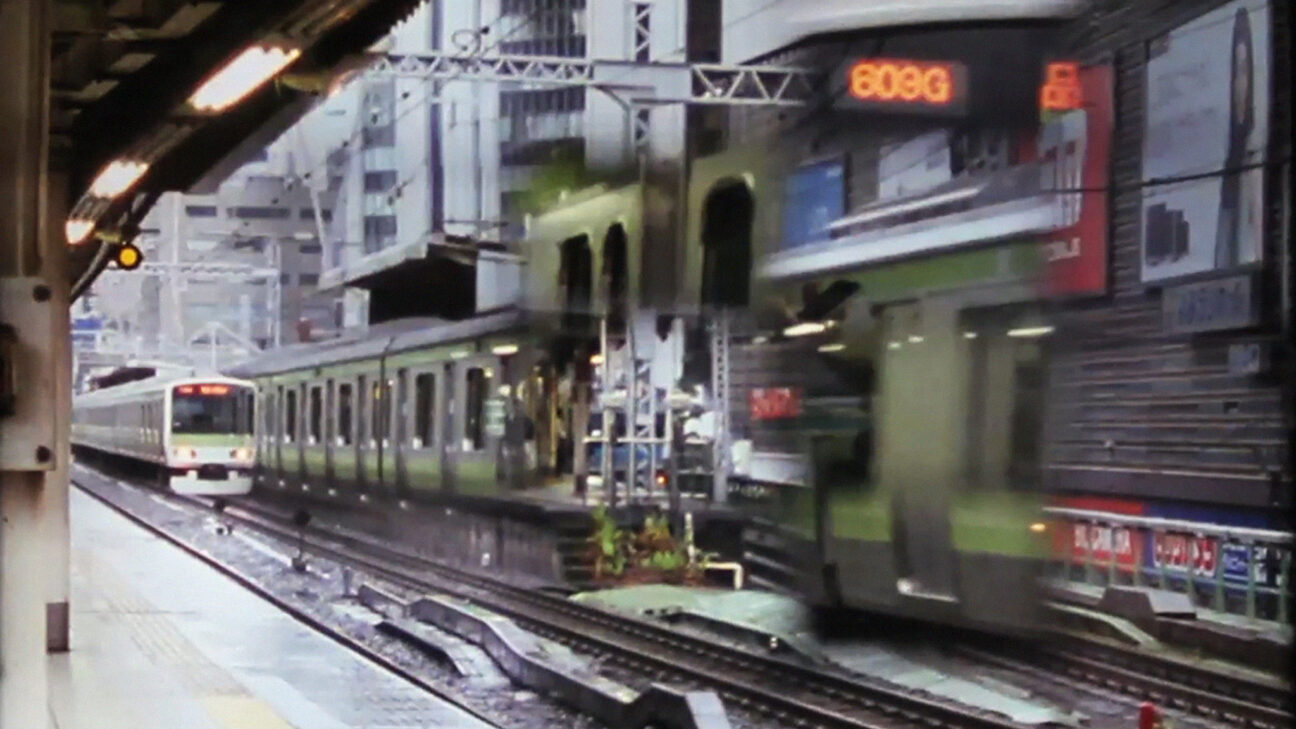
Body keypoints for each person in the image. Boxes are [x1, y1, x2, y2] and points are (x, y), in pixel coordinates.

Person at [1214, 6, 1262, 270]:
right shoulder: (1228, 161)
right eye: (1236, 75)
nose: (1240, 85)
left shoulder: (1256, 156)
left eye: (1245, 72)